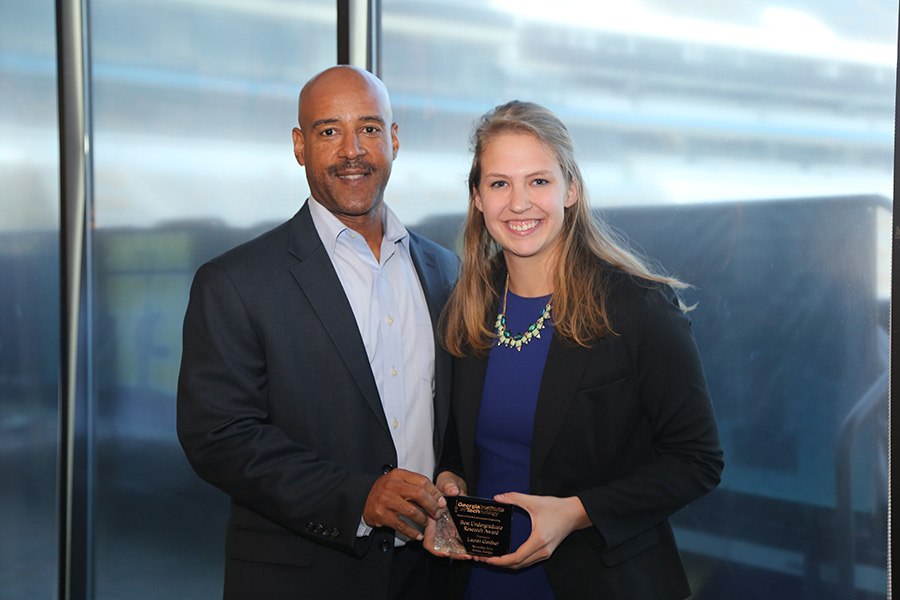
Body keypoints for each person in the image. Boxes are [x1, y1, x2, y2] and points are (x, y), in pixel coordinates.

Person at [176, 65, 459, 600]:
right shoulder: (235, 282)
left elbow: (454, 413)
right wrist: (356, 497)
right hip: (305, 577)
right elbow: (217, 436)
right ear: (299, 146)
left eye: (370, 128)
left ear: (394, 141)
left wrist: (454, 473)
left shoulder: (446, 271)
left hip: (433, 576)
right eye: (330, 130)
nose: (353, 149)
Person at [427, 100, 724, 600]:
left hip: (600, 579)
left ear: (572, 190)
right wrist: (451, 476)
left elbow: (697, 461)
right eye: (500, 183)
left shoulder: (637, 306)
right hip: (479, 581)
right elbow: (464, 443)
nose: (519, 203)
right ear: (477, 198)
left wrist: (576, 511)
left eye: (538, 181)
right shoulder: (469, 304)